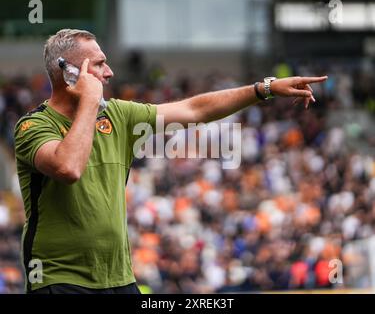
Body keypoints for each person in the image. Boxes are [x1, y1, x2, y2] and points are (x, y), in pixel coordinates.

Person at [14, 29, 327, 294]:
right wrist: (89, 102)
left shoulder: (118, 115)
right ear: (70, 72)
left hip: (117, 277)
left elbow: (195, 110)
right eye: (99, 65)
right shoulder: (33, 126)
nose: (109, 73)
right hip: (58, 279)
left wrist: (265, 89)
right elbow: (68, 168)